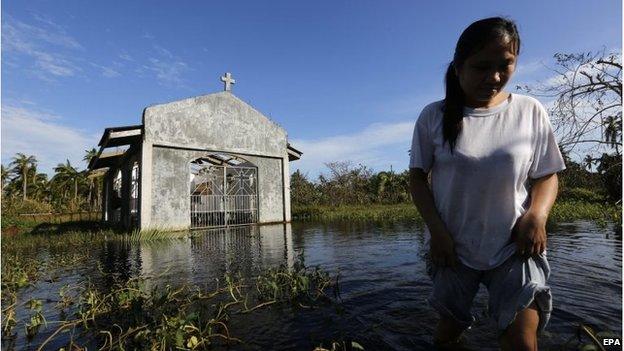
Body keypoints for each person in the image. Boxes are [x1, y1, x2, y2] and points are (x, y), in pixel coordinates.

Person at [408, 17, 566, 350]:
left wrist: (537, 215)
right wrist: (438, 233)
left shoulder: (530, 111)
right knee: (447, 335)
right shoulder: (433, 116)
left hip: (515, 244)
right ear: (458, 66)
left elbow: (547, 174)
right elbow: (418, 179)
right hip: (452, 246)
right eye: (481, 67)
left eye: (505, 65)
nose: (494, 77)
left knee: (523, 341)